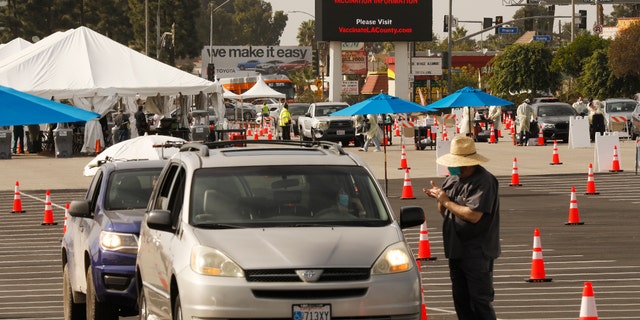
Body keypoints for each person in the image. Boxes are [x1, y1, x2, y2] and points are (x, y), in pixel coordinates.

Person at [422, 135, 500, 320]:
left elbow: (473, 215)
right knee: (461, 300)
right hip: (456, 249)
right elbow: (445, 212)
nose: (455, 168)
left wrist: (446, 201)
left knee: (479, 300)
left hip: (477, 251)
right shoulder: (452, 180)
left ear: (470, 163)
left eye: (459, 164)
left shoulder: (484, 181)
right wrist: (440, 199)